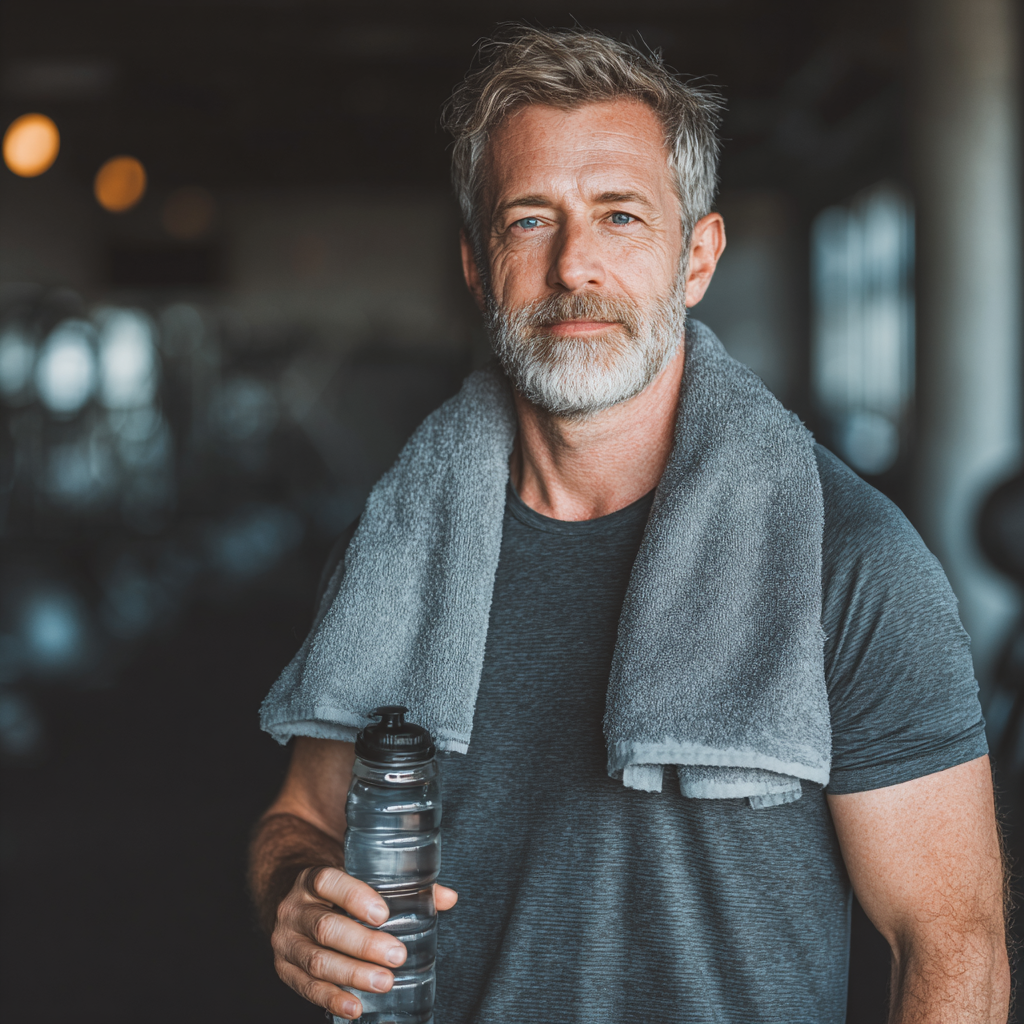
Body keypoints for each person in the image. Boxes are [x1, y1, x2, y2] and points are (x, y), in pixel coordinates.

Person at [248, 27, 1009, 1023]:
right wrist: (293, 890)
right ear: (478, 266)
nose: (575, 266)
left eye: (619, 216)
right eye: (530, 220)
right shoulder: (394, 546)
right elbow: (302, 815)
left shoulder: (849, 562)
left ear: (696, 258)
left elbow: (951, 945)